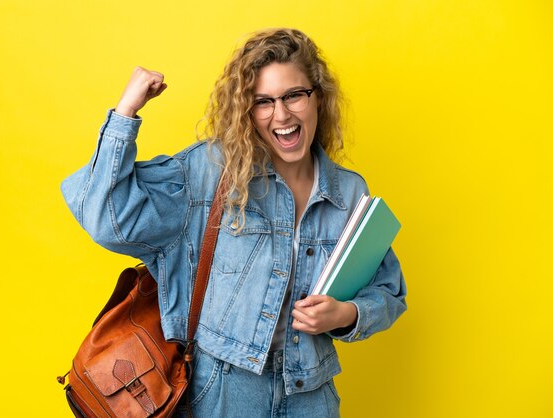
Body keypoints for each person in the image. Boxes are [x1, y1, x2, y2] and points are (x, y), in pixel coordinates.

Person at [61, 28, 406, 418]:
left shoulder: (347, 191)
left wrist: (346, 315)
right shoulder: (211, 172)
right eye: (263, 101)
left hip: (312, 390)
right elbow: (108, 218)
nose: (282, 114)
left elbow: (389, 292)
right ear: (247, 110)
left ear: (318, 97)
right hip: (224, 390)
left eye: (294, 95)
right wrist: (126, 113)